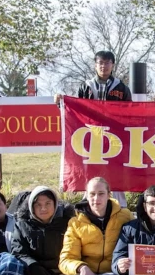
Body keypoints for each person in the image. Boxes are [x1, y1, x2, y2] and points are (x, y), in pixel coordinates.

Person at [54, 50, 132, 207]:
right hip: (91, 137)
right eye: (100, 63)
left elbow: (130, 113)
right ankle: (89, 204)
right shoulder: (86, 87)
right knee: (90, 170)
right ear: (95, 65)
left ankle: (120, 207)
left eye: (107, 63)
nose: (104, 66)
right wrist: (61, 102)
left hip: (115, 139)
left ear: (113, 65)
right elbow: (75, 111)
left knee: (115, 171)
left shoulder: (122, 88)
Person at [58, 177, 131, 275]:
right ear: (86, 195)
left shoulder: (124, 217)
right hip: (86, 273)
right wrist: (81, 267)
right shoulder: (76, 222)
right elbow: (66, 259)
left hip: (111, 271)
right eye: (92, 194)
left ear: (109, 194)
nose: (96, 199)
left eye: (101, 193)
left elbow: (135, 242)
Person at [12, 186, 74, 275]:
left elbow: (74, 248)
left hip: (60, 271)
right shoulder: (23, 225)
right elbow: (18, 250)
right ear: (31, 206)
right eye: (38, 205)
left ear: (55, 204)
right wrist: (33, 266)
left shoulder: (67, 223)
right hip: (33, 271)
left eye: (47, 203)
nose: (43, 208)